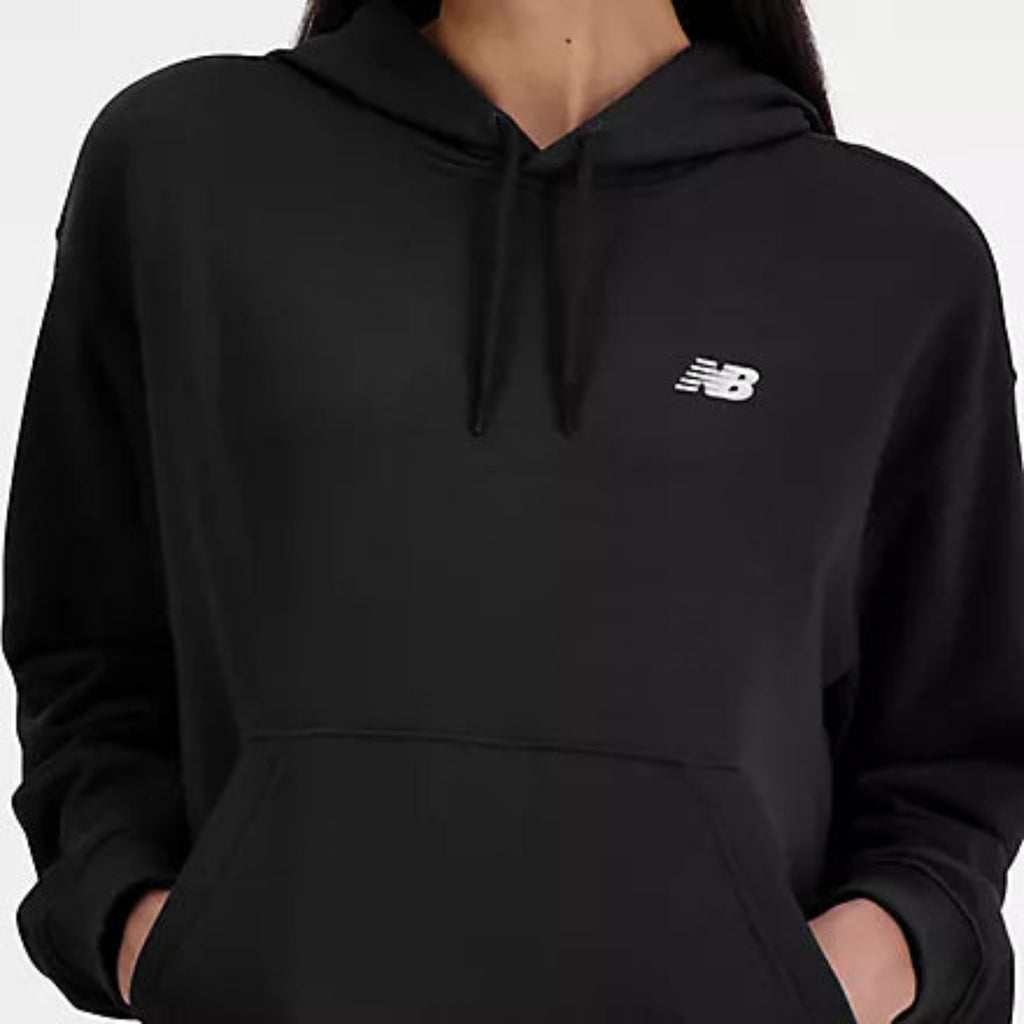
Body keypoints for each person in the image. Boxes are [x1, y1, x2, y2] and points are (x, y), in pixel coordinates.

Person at [5, 0, 1024, 1020]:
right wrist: (142, 926)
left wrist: (852, 972)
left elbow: (948, 753)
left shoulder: (889, 252)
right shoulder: (192, 167)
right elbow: (90, 646)